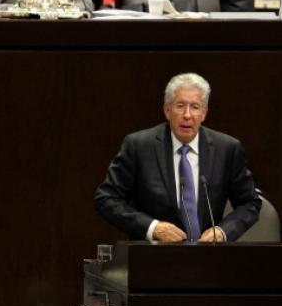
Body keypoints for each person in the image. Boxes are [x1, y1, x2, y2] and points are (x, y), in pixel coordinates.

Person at [95, 72, 261, 242]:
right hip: (152, 258)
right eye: (180, 105)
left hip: (209, 258)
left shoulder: (227, 149)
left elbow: (249, 203)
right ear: (167, 110)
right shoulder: (139, 146)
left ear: (204, 113)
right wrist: (152, 227)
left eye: (195, 107)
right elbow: (106, 199)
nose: (187, 115)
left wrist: (223, 231)